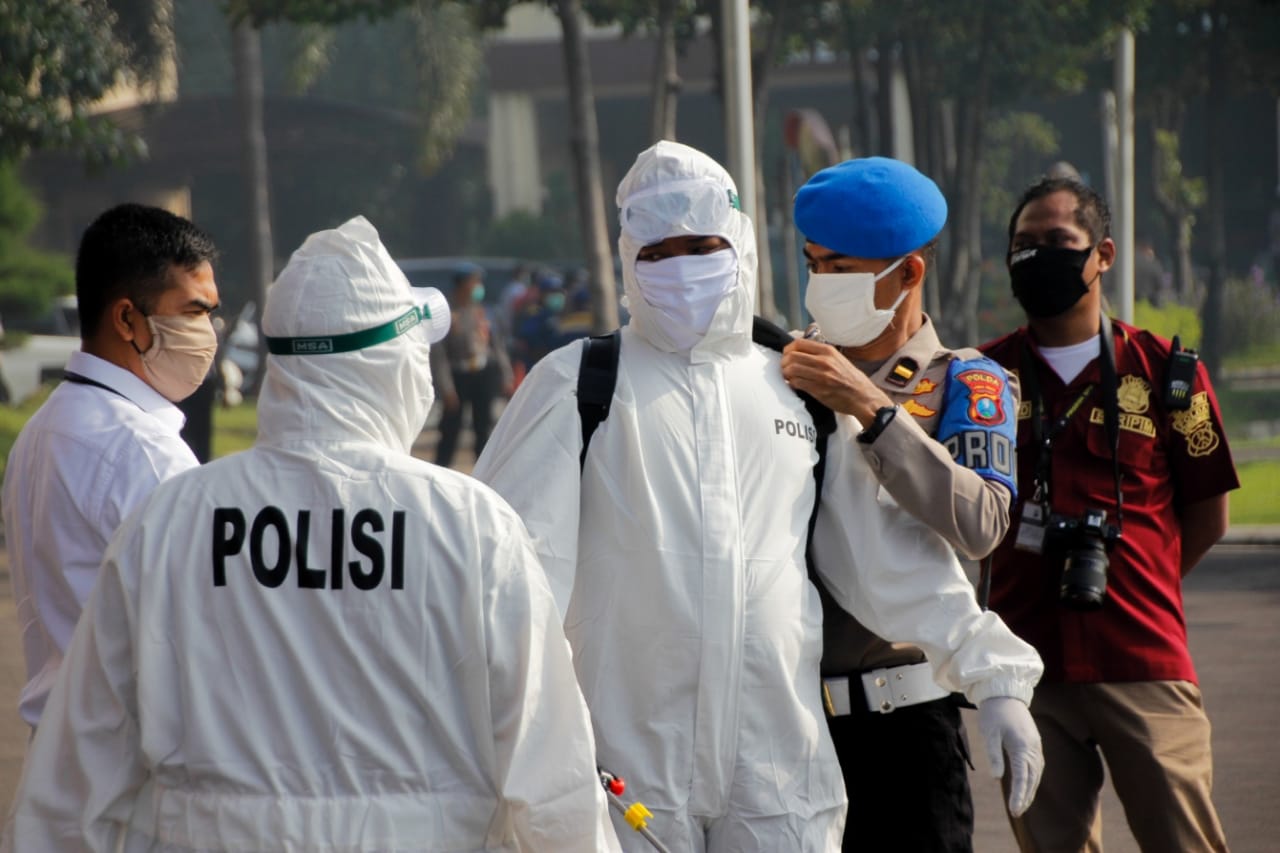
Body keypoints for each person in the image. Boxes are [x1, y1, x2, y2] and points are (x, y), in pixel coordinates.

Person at [473, 140, 1045, 852]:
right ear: (627, 255)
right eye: (660, 251)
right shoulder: (580, 386)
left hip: (779, 774)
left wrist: (994, 674)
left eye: (703, 245)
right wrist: (501, 736)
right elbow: (506, 579)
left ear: (737, 242)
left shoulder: (797, 384)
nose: (683, 267)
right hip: (625, 769)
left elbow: (880, 555)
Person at [1, 216, 620, 853]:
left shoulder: (171, 522)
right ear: (392, 362)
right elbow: (552, 782)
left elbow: (76, 780)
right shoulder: (472, 526)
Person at [980, 177, 1239, 852]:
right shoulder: (981, 378)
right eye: (1022, 244)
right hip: (1026, 664)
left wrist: (1141, 576)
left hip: (1142, 655)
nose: (1037, 257)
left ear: (1102, 253)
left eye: (1058, 242)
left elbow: (1210, 510)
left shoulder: (1167, 374)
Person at [779, 156, 1020, 852]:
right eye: (812, 264)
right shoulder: (783, 376)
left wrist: (868, 404)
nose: (820, 284)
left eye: (841, 269)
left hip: (904, 725)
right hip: (789, 720)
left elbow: (980, 524)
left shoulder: (965, 382)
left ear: (908, 272)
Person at [2, 202, 220, 731]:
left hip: (62, 757)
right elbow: (203, 630)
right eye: (193, 312)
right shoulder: (141, 450)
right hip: (125, 774)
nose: (207, 333)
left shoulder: (45, 428)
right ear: (126, 318)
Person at [430, 261, 512, 468]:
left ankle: (484, 472)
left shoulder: (482, 312)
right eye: (474, 282)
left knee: (483, 427)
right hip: (458, 376)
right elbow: (439, 356)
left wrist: (506, 375)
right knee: (450, 429)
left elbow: (497, 346)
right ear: (461, 285)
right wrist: (446, 388)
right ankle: (441, 469)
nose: (478, 287)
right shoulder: (447, 314)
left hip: (483, 374)